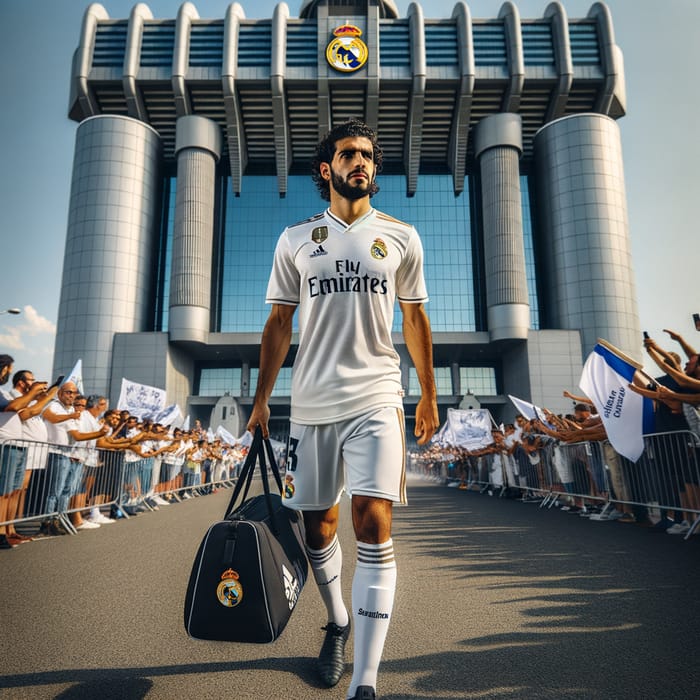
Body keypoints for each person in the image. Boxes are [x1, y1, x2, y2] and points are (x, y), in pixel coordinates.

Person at [246, 119, 439, 700]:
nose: (362, 162)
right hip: (311, 402)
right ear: (326, 169)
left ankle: (366, 681)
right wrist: (260, 401)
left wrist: (427, 392)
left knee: (373, 522)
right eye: (349, 154)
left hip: (379, 393)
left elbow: (414, 319)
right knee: (319, 525)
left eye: (369, 156)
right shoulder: (296, 240)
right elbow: (279, 323)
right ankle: (337, 621)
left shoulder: (402, 237)